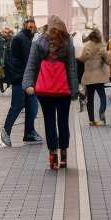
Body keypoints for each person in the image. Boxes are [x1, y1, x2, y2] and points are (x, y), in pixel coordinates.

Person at [23, 16, 80, 170]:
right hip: (63, 90)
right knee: (63, 121)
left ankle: (52, 153)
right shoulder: (68, 43)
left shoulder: (38, 42)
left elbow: (31, 65)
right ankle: (63, 153)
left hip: (44, 90)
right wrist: (74, 90)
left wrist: (28, 84)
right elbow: (72, 68)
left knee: (49, 122)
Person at [0, 20, 42, 146]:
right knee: (18, 105)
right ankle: (6, 131)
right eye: (31, 26)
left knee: (32, 106)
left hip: (26, 78)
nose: (34, 28)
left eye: (34, 25)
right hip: (21, 78)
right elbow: (28, 60)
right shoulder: (21, 39)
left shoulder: (27, 38)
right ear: (27, 26)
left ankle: (29, 133)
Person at [77, 29, 110, 126]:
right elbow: (108, 61)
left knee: (90, 99)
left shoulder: (86, 46)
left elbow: (82, 59)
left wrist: (87, 57)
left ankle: (91, 120)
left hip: (89, 76)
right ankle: (101, 111)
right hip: (99, 76)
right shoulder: (101, 46)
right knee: (102, 96)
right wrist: (105, 57)